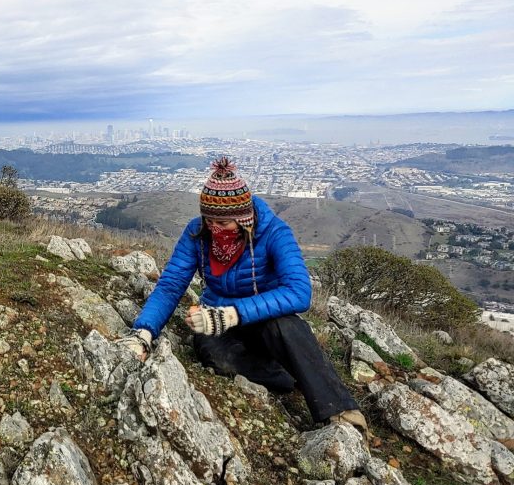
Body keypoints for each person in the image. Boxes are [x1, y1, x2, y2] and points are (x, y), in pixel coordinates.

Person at [120, 157, 366, 435]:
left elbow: (300, 292)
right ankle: (288, 377)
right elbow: (171, 285)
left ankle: (341, 411)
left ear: (244, 218)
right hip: (215, 321)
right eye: (210, 220)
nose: (215, 229)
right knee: (212, 353)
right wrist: (143, 332)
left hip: (265, 319)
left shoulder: (274, 233)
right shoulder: (197, 233)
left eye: (223, 223)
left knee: (287, 327)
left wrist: (234, 313)